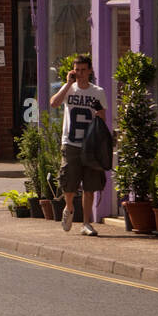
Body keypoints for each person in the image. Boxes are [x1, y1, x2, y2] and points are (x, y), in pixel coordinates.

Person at [49, 54, 108, 236]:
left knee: (90, 186)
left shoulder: (97, 92)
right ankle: (69, 208)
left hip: (89, 145)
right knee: (69, 182)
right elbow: (54, 103)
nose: (80, 73)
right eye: (77, 70)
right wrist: (67, 83)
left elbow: (101, 117)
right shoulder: (69, 90)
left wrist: (100, 142)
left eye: (84, 70)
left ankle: (86, 223)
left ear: (90, 71)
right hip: (71, 143)